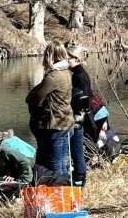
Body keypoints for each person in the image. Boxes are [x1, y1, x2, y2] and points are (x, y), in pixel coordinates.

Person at [25, 40, 74, 180]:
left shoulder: (52, 76)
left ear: (49, 55)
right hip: (66, 122)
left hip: (55, 124)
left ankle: (60, 191)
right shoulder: (66, 73)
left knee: (55, 164)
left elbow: (35, 100)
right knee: (61, 162)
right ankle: (67, 190)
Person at [66, 43, 92, 187]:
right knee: (76, 152)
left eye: (68, 58)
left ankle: (79, 182)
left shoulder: (79, 76)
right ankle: (78, 179)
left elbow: (81, 99)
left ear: (76, 59)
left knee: (76, 152)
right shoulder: (79, 74)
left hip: (77, 120)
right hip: (79, 118)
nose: (66, 61)